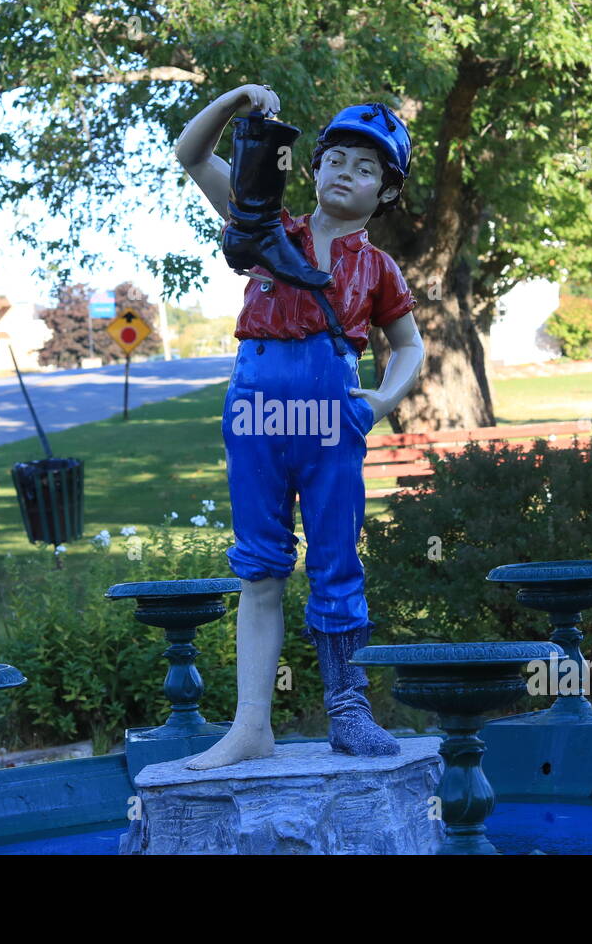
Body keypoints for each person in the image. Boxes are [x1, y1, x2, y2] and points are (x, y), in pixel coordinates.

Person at [174, 84, 425, 769]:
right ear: (312, 168)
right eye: (335, 159)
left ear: (386, 192)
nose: (346, 172)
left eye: (366, 168)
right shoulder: (264, 228)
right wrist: (234, 102)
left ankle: (348, 711)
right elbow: (192, 155)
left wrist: (380, 400)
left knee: (336, 560)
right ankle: (250, 724)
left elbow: (409, 344)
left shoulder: (377, 268)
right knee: (259, 567)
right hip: (254, 412)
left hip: (330, 418)